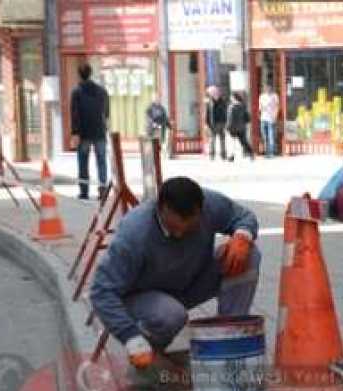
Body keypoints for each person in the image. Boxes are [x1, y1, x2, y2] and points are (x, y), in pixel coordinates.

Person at [89, 177, 261, 369]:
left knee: (249, 256)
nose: (179, 235)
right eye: (173, 228)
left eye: (189, 228)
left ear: (200, 211)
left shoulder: (210, 204)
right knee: (171, 315)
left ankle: (229, 338)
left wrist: (242, 236)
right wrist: (130, 337)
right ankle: (148, 350)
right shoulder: (135, 233)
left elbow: (244, 217)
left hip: (190, 281)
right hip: (145, 296)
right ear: (160, 208)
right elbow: (101, 291)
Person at [70, 64, 110, 202]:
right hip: (99, 131)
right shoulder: (102, 91)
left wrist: (75, 132)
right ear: (91, 73)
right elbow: (106, 112)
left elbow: (75, 114)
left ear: (79, 75)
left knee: (83, 162)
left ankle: (84, 191)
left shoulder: (76, 92)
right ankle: (103, 191)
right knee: (101, 162)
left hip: (84, 132)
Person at [226, 92, 255, 161]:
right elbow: (248, 118)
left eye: (231, 97)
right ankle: (251, 153)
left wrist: (228, 127)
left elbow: (230, 118)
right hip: (242, 127)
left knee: (232, 142)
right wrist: (245, 124)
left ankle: (231, 156)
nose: (230, 99)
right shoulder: (243, 106)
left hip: (233, 127)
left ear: (233, 98)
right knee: (244, 142)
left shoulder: (231, 107)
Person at [205, 86, 229, 161]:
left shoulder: (223, 101)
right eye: (210, 93)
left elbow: (226, 112)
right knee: (212, 140)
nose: (211, 94)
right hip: (212, 123)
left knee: (222, 139)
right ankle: (212, 155)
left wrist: (226, 122)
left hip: (221, 123)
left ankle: (223, 155)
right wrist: (206, 123)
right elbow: (207, 113)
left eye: (212, 93)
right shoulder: (209, 102)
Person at [258, 83, 280, 157]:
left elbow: (277, 107)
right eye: (266, 88)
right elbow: (260, 108)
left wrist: (275, 116)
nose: (267, 89)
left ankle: (271, 152)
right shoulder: (262, 96)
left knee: (271, 136)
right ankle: (266, 152)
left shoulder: (274, 96)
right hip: (263, 118)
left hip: (271, 118)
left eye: (269, 88)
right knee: (265, 136)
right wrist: (262, 108)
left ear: (271, 88)